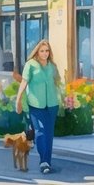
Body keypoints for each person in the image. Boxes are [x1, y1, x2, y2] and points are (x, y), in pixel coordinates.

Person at [15, 40, 63, 174]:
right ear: (37, 52)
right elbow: (24, 83)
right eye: (42, 51)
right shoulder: (30, 65)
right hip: (36, 104)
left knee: (49, 134)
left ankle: (47, 161)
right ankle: (43, 161)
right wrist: (18, 100)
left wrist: (64, 97)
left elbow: (58, 83)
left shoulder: (52, 66)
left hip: (52, 104)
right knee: (40, 131)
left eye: (47, 51)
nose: (45, 53)